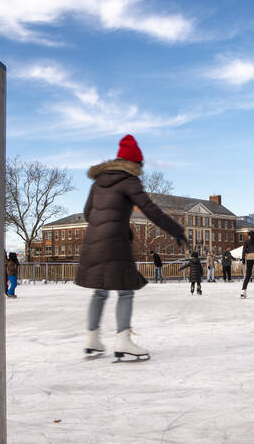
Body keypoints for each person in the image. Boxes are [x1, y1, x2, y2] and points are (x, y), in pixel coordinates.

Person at [75, 134, 187, 361]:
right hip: (114, 245)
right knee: (125, 290)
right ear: (135, 163)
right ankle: (123, 340)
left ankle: (92, 338)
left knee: (100, 291)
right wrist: (176, 229)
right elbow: (150, 209)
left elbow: (88, 213)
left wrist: (115, 225)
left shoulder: (98, 182)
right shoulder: (129, 180)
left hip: (93, 243)